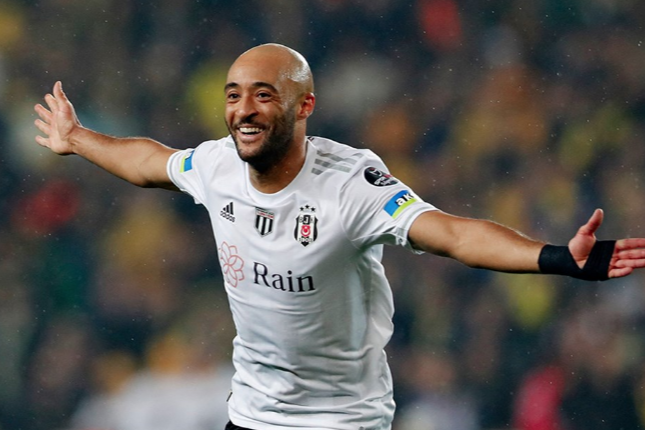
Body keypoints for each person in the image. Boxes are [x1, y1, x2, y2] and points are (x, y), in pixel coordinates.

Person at [34, 43, 645, 430]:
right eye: (234, 95)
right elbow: (150, 162)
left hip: (343, 420)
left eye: (264, 95)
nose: (244, 109)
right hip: (253, 415)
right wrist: (78, 139)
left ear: (304, 107)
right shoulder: (217, 165)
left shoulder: (351, 183)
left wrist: (555, 257)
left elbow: (452, 234)